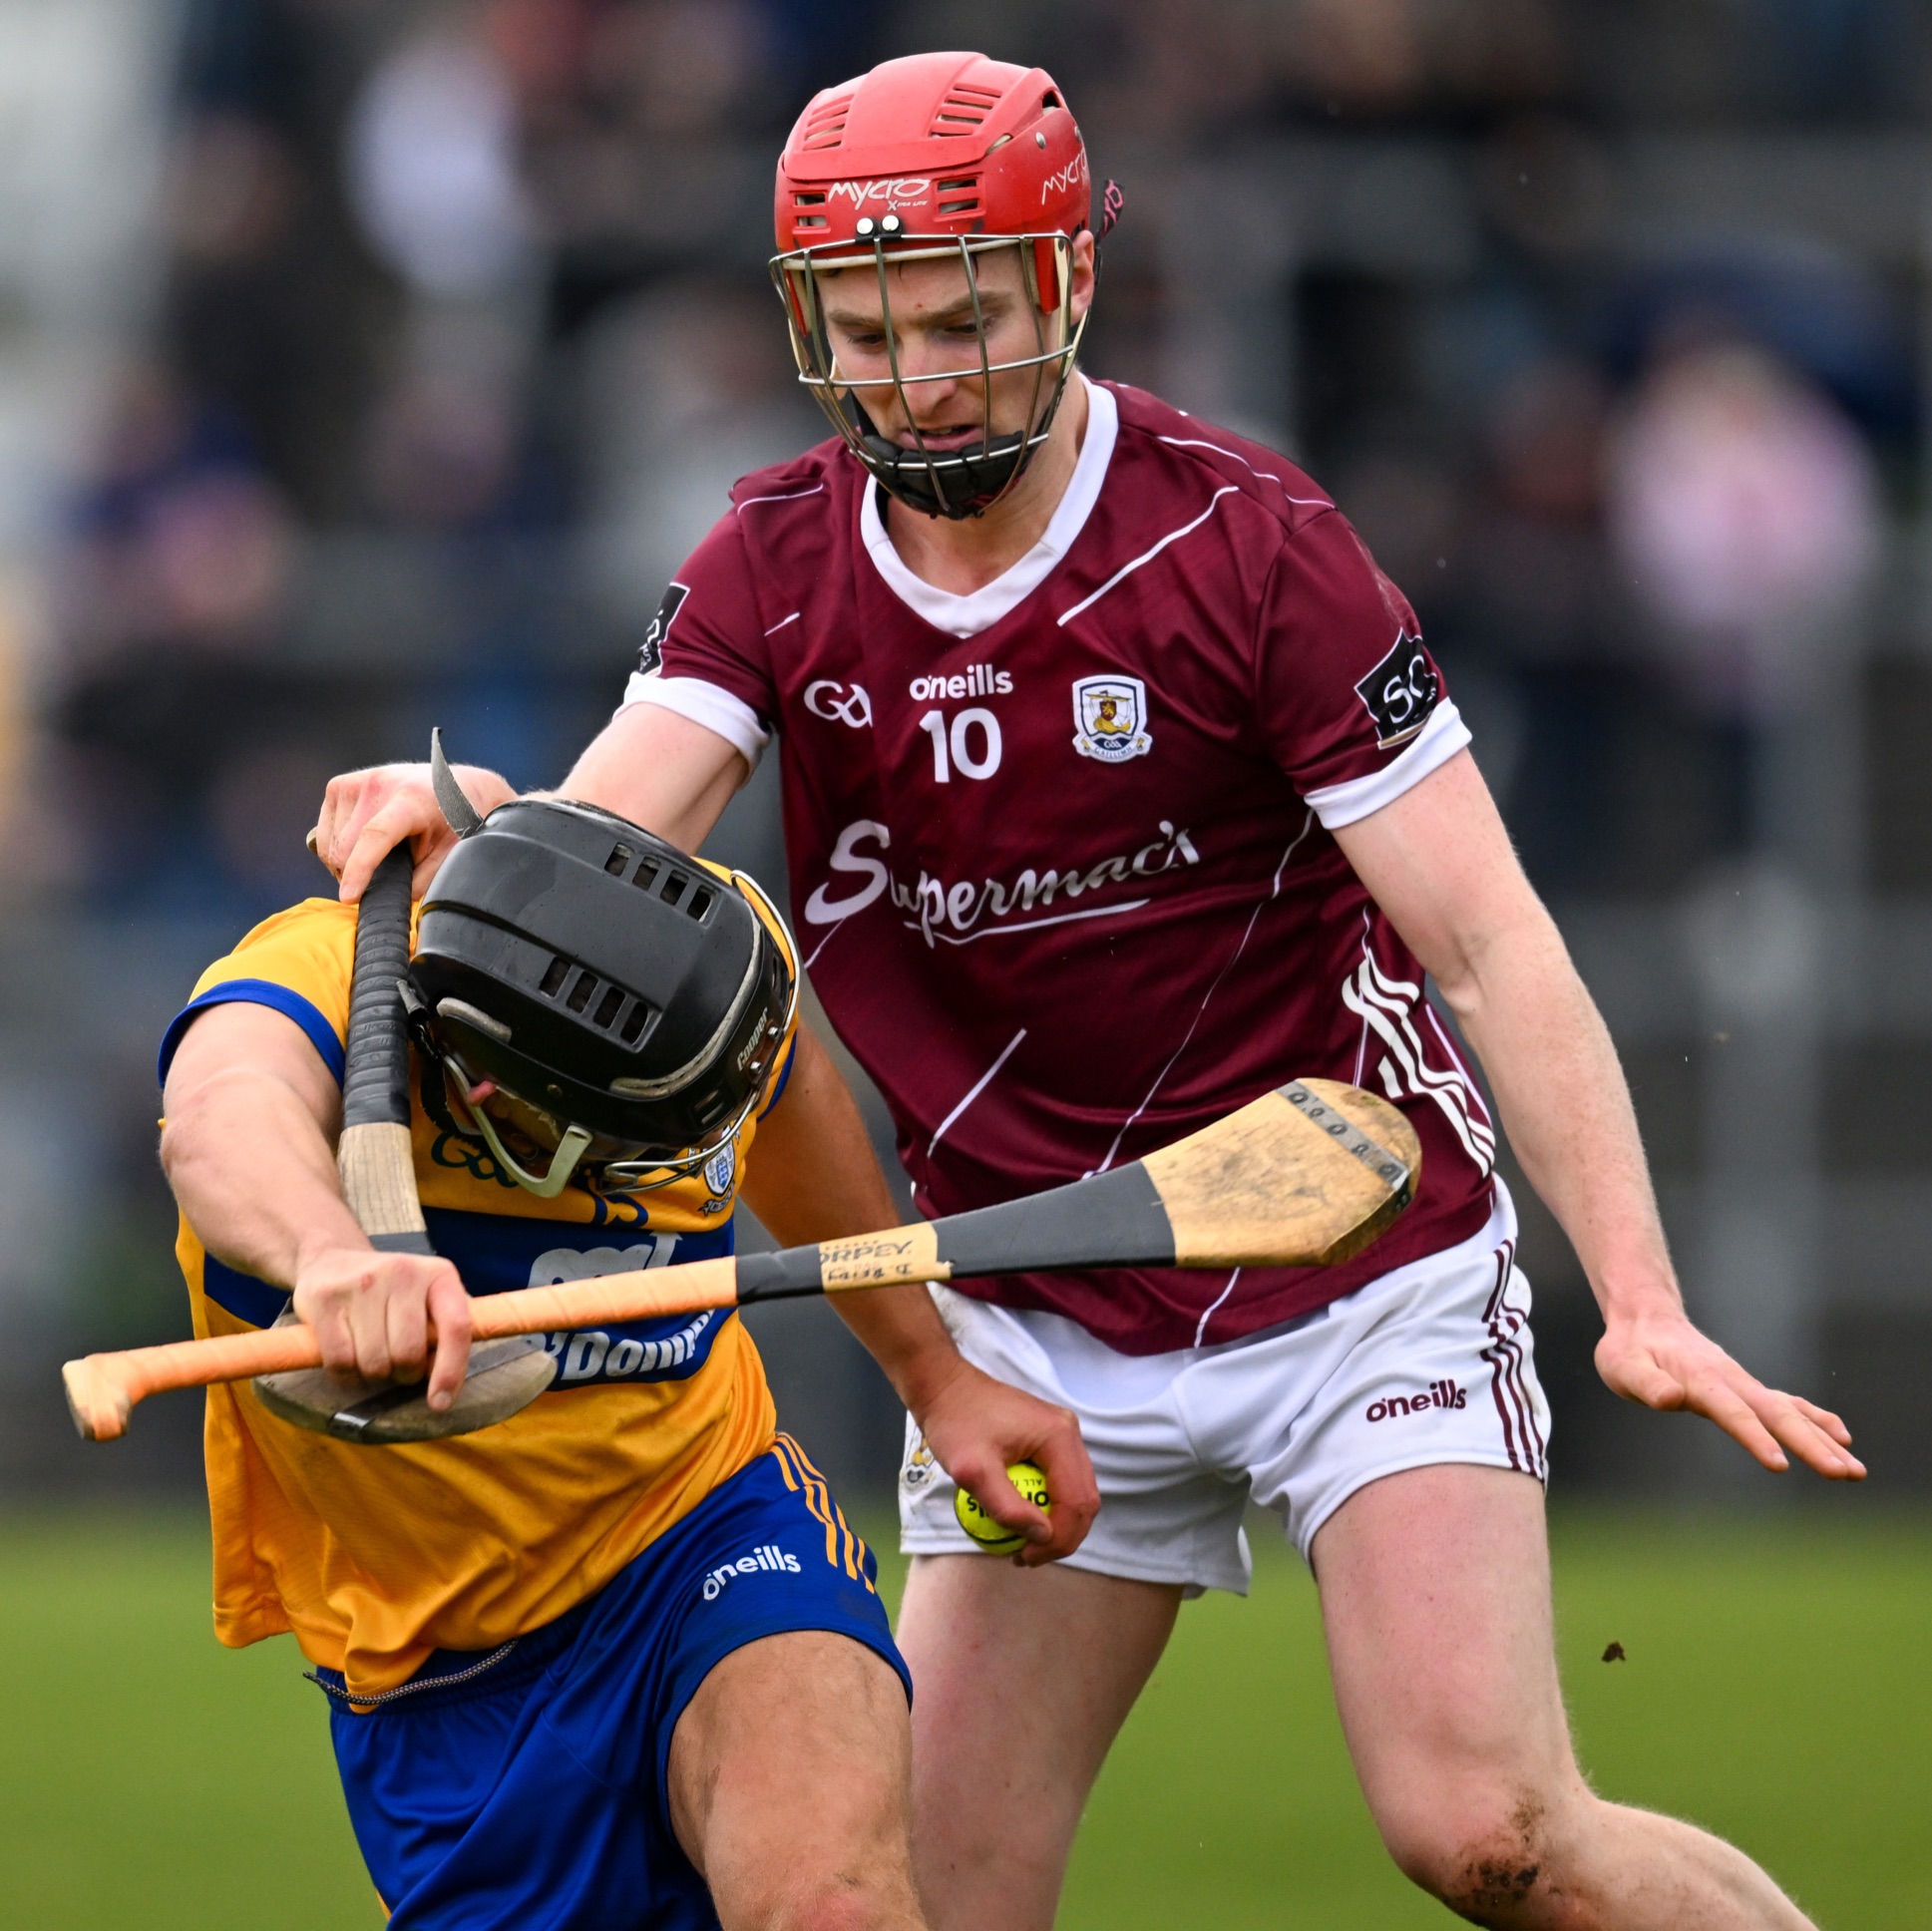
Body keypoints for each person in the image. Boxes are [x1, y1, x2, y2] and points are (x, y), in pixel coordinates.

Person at [312, 52, 1864, 1931]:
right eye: (868, 332)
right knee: (930, 1901)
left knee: (1488, 1831)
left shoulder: (1246, 544)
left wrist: (1639, 1293)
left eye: (960, 320)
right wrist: (475, 823)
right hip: (1028, 1306)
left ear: (1063, 284)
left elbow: (1488, 941)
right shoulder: (774, 565)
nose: (918, 378)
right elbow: (607, 848)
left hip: (1342, 1243)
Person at [158, 790, 1091, 1931]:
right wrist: (333, 1256)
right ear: (496, 1096)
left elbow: (783, 1085)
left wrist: (935, 1380)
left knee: (831, 1908)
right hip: (442, 1676)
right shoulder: (310, 978)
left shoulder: (707, 968)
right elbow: (221, 1111)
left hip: (705, 1523)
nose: (688, 1172)